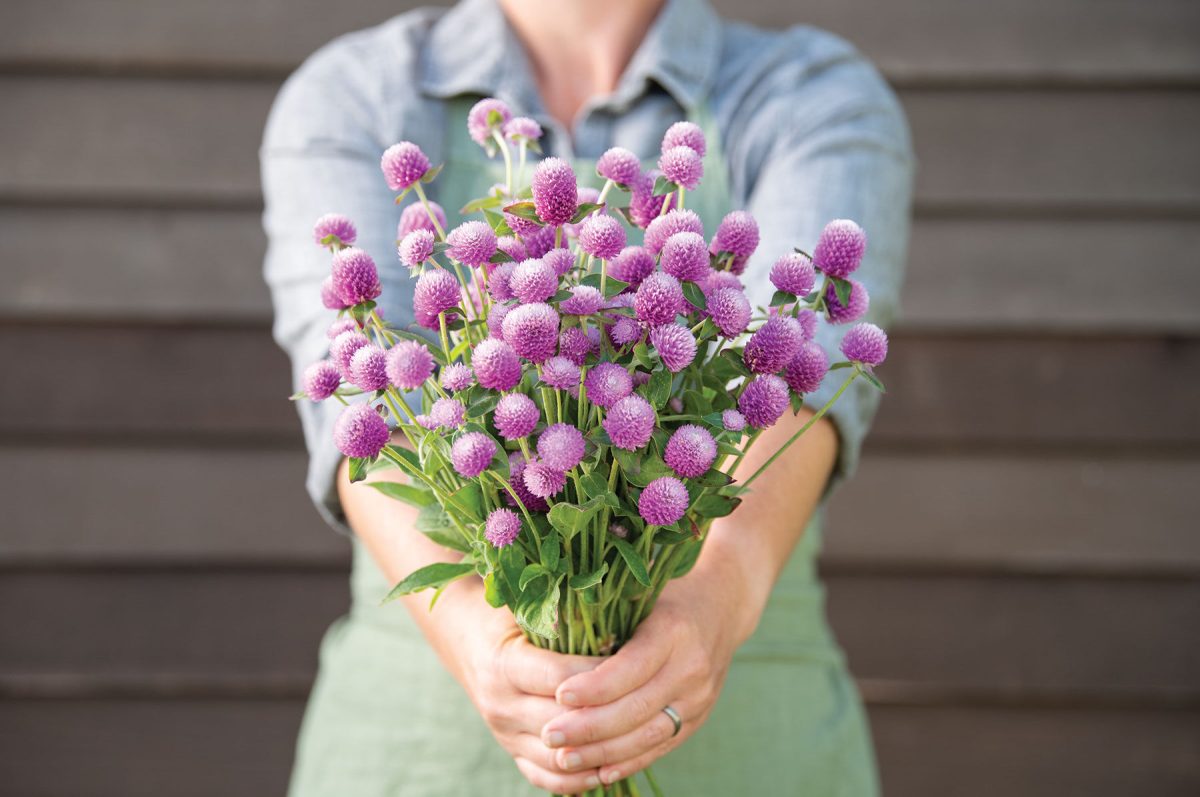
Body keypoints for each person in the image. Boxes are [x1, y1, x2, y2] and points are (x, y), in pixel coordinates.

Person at [261, 0, 913, 793]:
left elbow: (804, 370)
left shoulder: (805, 89)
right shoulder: (357, 91)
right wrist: (472, 628)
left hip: (748, 726)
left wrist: (717, 594)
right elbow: (360, 392)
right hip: (423, 748)